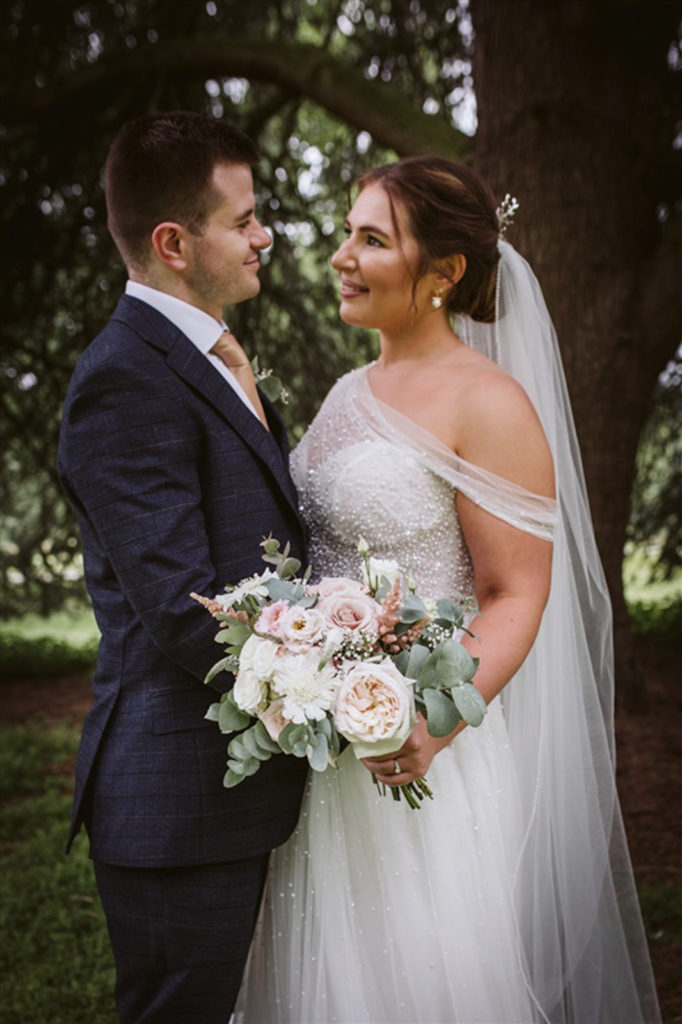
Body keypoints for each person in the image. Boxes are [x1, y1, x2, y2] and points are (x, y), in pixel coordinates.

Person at [236, 157, 660, 1022]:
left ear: (444, 271)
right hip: (322, 752)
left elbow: (516, 594)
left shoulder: (489, 403)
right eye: (347, 234)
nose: (341, 257)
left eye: (371, 240)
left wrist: (428, 726)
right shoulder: (349, 391)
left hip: (420, 749)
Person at [57, 111, 308, 1024]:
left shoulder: (204, 358)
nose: (263, 235)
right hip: (180, 801)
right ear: (173, 243)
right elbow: (185, 608)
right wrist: (340, 678)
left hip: (242, 789)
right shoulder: (125, 376)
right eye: (243, 220)